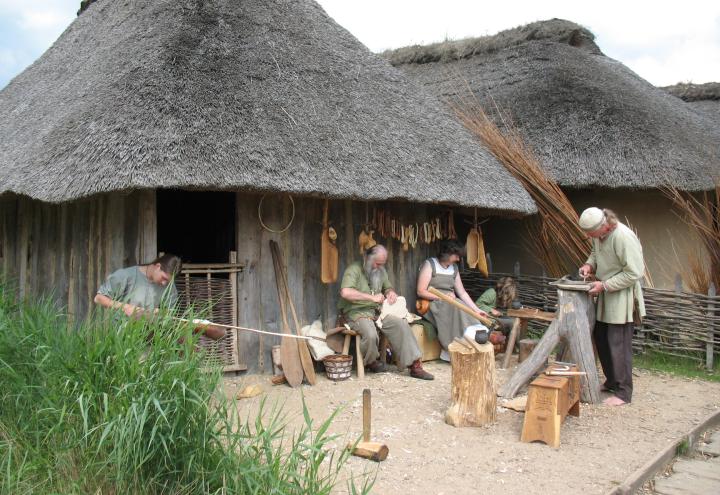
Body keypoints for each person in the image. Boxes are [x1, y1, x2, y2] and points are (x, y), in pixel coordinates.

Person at [578, 207, 645, 407]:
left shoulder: (623, 237)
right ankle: (612, 381)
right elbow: (595, 253)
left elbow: (634, 273)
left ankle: (624, 392)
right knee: (601, 337)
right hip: (607, 294)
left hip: (622, 296)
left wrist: (604, 285)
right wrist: (589, 266)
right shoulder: (598, 235)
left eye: (591, 233)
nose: (589, 236)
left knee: (619, 344)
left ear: (605, 226)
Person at [338, 245, 434, 380]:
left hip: (377, 312)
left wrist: (391, 293)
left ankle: (415, 366)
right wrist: (371, 298)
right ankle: (372, 362)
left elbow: (388, 287)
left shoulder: (381, 271)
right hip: (355, 312)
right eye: (376, 264)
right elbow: (345, 292)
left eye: (382, 264)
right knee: (370, 334)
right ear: (366, 258)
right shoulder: (353, 270)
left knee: (401, 324)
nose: (378, 267)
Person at [94, 253, 226, 340]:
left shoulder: (169, 287)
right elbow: (99, 298)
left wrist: (159, 313)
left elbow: (168, 313)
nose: (164, 283)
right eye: (163, 278)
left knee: (185, 338)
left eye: (168, 281)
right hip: (122, 334)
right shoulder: (126, 276)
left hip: (151, 334)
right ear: (157, 266)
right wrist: (125, 307)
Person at [416, 240, 490, 360]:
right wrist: (442, 297)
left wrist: (476, 310)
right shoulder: (430, 264)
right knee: (456, 307)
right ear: (447, 253)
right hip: (432, 303)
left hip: (450, 302)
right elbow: (421, 291)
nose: (458, 259)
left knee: (461, 306)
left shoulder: (454, 268)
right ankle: (451, 348)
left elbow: (462, 293)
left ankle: (471, 343)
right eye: (456, 256)